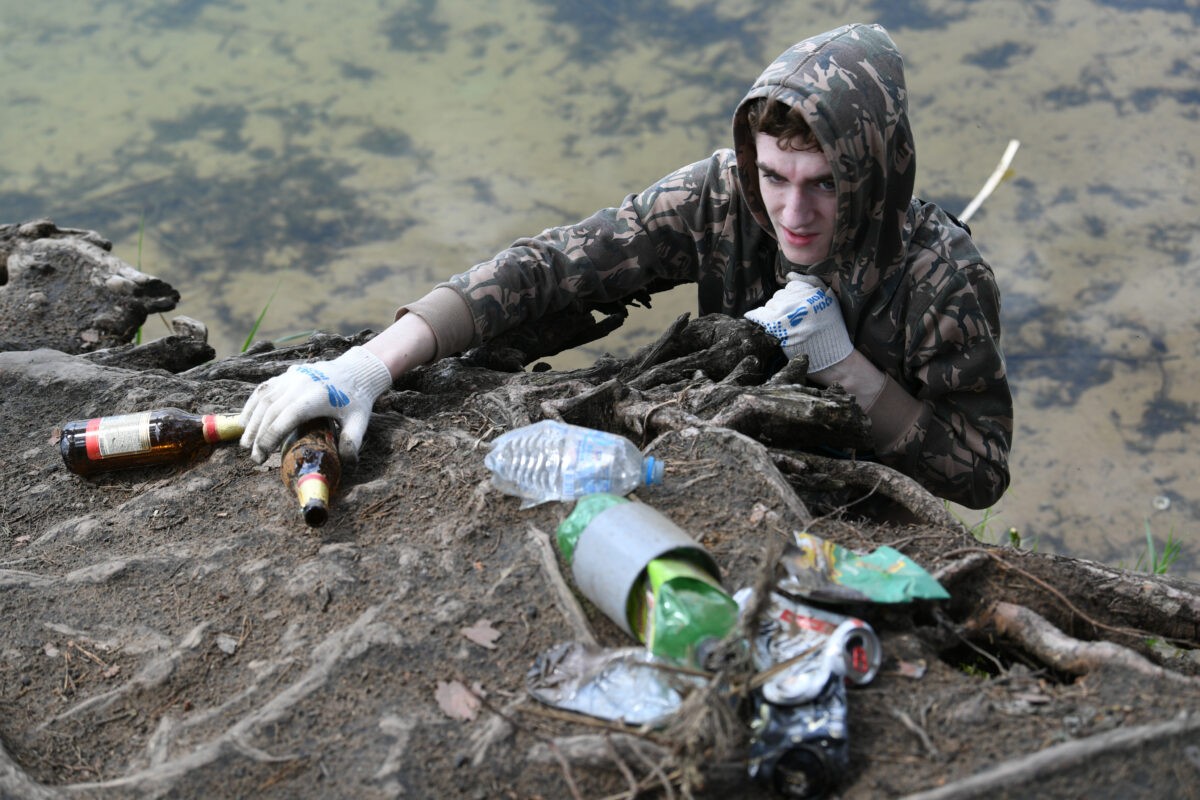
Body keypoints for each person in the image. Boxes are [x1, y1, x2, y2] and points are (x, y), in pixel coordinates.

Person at [240, 22, 1012, 509]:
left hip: (853, 506)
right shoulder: (722, 193)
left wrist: (851, 372)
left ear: (872, 175)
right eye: (775, 177)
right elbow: (548, 266)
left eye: (825, 186)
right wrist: (371, 364)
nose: (792, 213)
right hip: (721, 459)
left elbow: (979, 475)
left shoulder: (942, 279)